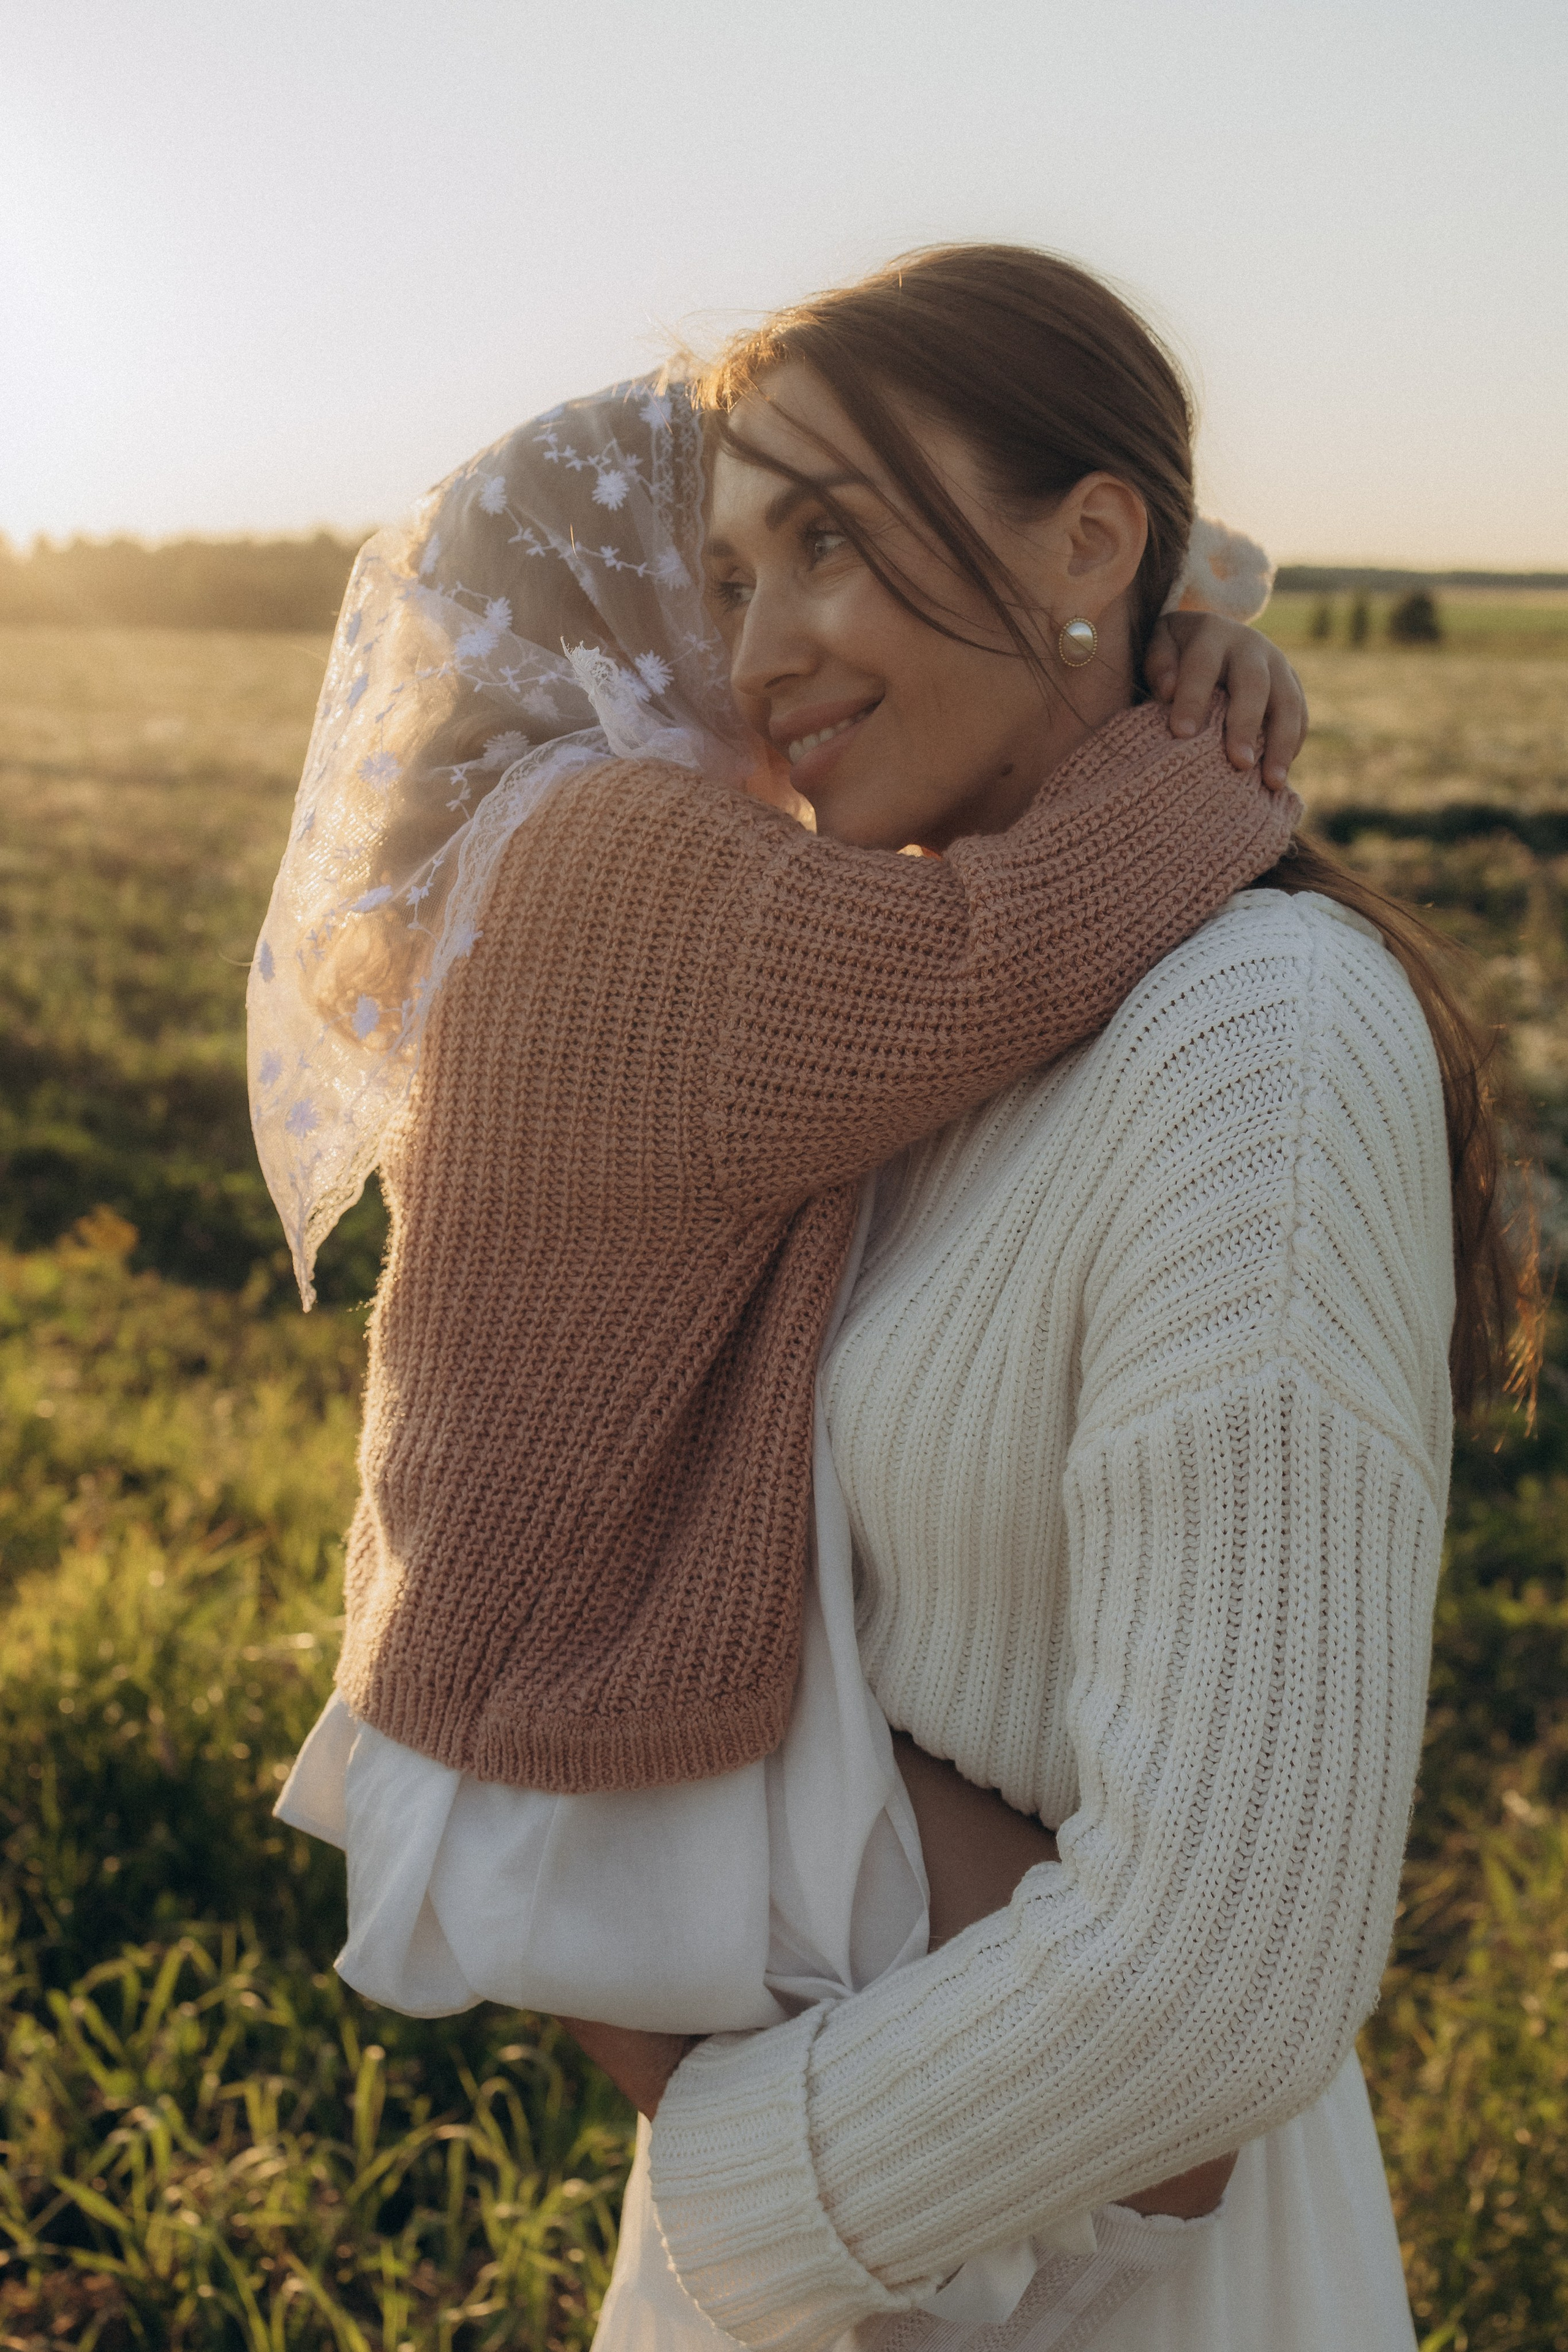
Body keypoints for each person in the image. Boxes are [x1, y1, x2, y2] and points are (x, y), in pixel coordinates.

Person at [247, 243, 1352, 2346]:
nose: (752, 646)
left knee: (901, 2191)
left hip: (518, 1680)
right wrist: (1214, 754)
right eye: (720, 582)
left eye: (802, 560)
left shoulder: (530, 864)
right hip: (587, 1700)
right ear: (611, 628)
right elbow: (980, 962)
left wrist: (1170, 634)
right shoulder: (595, 865)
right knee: (1170, 2150)